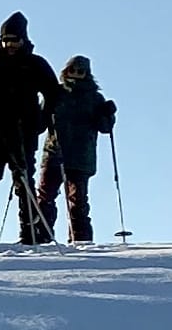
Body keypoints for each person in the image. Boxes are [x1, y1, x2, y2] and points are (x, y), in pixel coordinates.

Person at [0, 13, 59, 245]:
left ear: (23, 40)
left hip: (24, 132)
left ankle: (29, 227)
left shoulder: (34, 64)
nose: (10, 45)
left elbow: (53, 93)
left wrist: (41, 120)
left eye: (14, 40)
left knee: (23, 179)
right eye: (6, 40)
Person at [42, 54, 118, 243]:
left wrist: (108, 114)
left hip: (81, 155)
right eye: (73, 70)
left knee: (78, 201)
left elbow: (105, 128)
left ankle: (81, 240)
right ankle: (42, 236)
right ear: (66, 71)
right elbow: (41, 121)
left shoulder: (94, 98)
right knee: (46, 196)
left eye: (80, 71)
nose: (76, 74)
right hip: (56, 152)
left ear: (87, 73)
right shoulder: (56, 93)